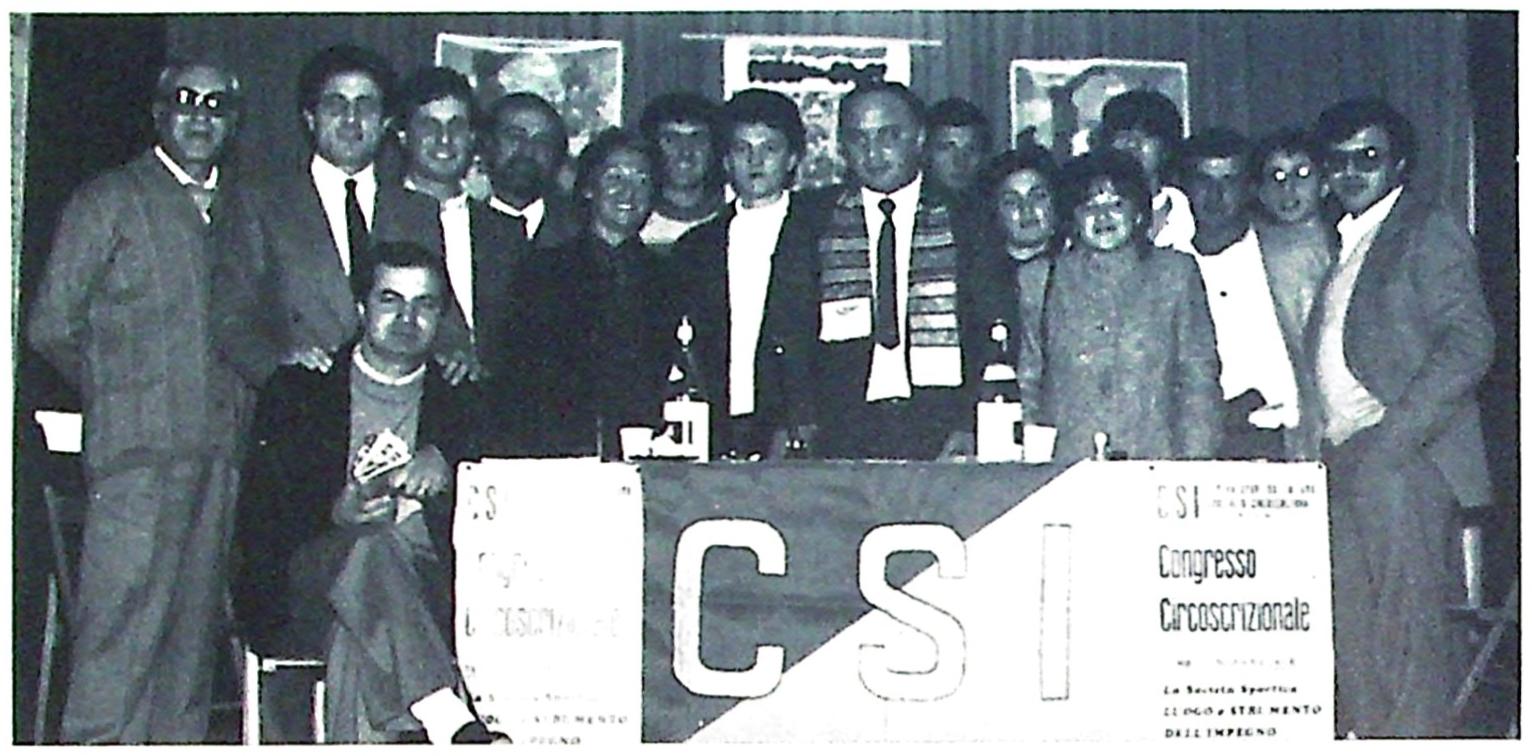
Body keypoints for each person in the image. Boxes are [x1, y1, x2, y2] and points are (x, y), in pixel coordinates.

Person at [27, 60, 255, 743]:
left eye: (216, 104)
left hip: (219, 458)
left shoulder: (241, 211)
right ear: (158, 112)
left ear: (234, 123)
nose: (200, 115)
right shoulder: (108, 201)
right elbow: (51, 326)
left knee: (189, 648)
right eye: (185, 100)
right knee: (119, 635)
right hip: (137, 462)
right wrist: (124, 396)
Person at [235, 242, 506, 744]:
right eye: (390, 300)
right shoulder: (300, 390)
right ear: (361, 308)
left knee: (361, 631)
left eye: (425, 304)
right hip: (311, 591)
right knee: (366, 551)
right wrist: (334, 513)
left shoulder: (466, 399)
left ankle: (434, 715)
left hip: (425, 601)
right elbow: (258, 524)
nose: (407, 318)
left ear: (441, 316)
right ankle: (446, 713)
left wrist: (448, 460)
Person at [1308, 98, 1493, 738]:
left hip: (1400, 458)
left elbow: (1471, 341)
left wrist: (1395, 438)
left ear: (1400, 165)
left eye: (1369, 157)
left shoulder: (1424, 227)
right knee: (1356, 628)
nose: (1353, 172)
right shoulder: (1349, 239)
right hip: (1347, 454)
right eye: (1340, 160)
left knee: (1407, 627)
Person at [215, 45, 471, 391]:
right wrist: (279, 367)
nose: (351, 119)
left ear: (385, 122)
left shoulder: (417, 210)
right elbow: (231, 319)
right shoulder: (261, 203)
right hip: (300, 399)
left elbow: (445, 313)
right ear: (310, 118)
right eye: (336, 105)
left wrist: (457, 352)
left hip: (398, 403)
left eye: (365, 106)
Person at [810, 81, 1008, 460]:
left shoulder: (969, 218)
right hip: (840, 424)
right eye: (858, 139)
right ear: (842, 146)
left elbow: (991, 329)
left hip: (942, 421)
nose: (873, 153)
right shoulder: (814, 218)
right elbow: (792, 326)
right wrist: (801, 418)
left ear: (919, 139)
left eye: (888, 136)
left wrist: (970, 422)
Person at [1022, 149, 1221, 462]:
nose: (1103, 218)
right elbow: (1028, 382)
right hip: (1066, 464)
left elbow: (1198, 379)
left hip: (1156, 461)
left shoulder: (1175, 274)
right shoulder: (1040, 278)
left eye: (1116, 205)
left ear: (1138, 213)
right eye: (1089, 207)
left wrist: (1194, 462)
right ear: (1072, 217)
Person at [671, 88, 823, 458]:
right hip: (718, 422)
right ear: (725, 160)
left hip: (797, 424)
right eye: (742, 149)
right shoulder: (695, 247)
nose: (756, 161)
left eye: (769, 148)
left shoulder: (821, 232)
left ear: (792, 158)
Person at [511, 128, 676, 458]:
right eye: (615, 177)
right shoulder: (542, 273)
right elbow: (522, 380)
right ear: (588, 187)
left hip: (649, 453)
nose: (628, 191)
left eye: (642, 180)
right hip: (559, 452)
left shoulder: (672, 279)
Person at [1178, 128, 1303, 460]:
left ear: (1250, 187)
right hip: (1189, 448)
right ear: (1185, 186)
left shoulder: (1282, 259)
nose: (1215, 195)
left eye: (1229, 181)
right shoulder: (1166, 265)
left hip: (1278, 442)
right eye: (1203, 181)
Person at [977, 143, 1062, 418]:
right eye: (1011, 201)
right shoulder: (976, 279)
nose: (1027, 210)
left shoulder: (1076, 272)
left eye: (1038, 197)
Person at [1249, 128, 1335, 351]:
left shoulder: (1344, 241)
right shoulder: (1258, 252)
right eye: (1276, 176)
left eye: (1303, 174)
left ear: (1325, 184)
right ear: (1261, 192)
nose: (1288, 187)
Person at [1097, 89, 1195, 254]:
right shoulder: (1086, 214)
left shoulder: (1195, 214)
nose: (1132, 143)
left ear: (1167, 147)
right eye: (1122, 135)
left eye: (1147, 135)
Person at [638, 93, 726, 252]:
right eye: (672, 139)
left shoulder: (733, 220)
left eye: (697, 139)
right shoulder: (632, 220)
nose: (685, 152)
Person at [924, 97, 992, 205]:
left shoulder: (995, 206)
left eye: (971, 149)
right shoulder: (906, 205)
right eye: (946, 148)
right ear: (926, 151)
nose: (959, 161)